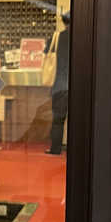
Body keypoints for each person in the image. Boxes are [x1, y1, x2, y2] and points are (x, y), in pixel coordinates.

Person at [47, 11, 71, 155]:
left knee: (58, 120)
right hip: (80, 88)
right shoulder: (85, 37)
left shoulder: (56, 38)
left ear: (63, 22)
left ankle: (55, 149)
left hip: (60, 86)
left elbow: (46, 54)